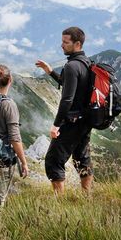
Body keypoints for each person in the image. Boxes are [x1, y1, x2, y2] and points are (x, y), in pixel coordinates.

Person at [35, 26, 93, 194]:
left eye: (65, 42)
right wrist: (51, 72)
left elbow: (67, 99)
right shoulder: (85, 62)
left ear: (77, 44)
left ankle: (60, 203)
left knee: (53, 160)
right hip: (85, 121)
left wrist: (56, 125)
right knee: (82, 158)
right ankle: (87, 197)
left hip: (72, 121)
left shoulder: (71, 66)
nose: (62, 45)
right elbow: (72, 86)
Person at [0, 64, 28, 208]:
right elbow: (14, 138)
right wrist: (24, 162)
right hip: (2, 157)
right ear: (10, 79)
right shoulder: (8, 105)